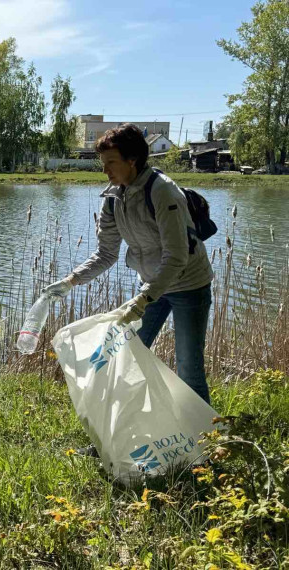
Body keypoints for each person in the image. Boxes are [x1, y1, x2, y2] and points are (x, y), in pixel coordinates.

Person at [43, 124, 214, 452]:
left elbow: (177, 256)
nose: (104, 170)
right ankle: (109, 445)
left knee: (189, 367)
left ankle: (206, 447)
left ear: (133, 160)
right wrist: (70, 280)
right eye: (102, 163)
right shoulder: (113, 198)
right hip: (149, 287)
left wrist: (143, 299)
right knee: (123, 361)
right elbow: (106, 253)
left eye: (111, 162)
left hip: (189, 285)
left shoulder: (163, 192)